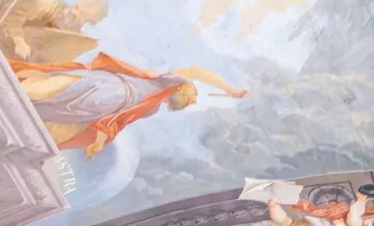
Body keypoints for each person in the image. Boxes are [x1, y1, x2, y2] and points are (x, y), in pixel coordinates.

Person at [13, 53, 246, 156]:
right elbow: (198, 71)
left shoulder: (151, 108)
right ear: (184, 88)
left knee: (42, 111)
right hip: (109, 86)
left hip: (100, 108)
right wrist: (230, 90)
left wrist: (99, 141)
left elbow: (117, 122)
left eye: (192, 101)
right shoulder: (168, 81)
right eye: (193, 94)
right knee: (37, 91)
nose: (193, 100)